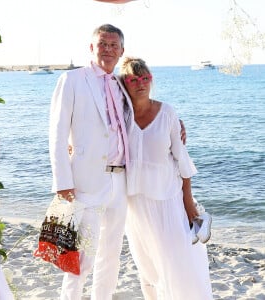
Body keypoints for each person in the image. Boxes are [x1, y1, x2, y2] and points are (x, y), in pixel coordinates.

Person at [49, 23, 134, 300]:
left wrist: (175, 124)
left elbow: (135, 121)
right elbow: (58, 133)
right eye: (102, 44)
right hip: (86, 181)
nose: (107, 50)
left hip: (120, 181)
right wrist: (62, 181)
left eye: (113, 46)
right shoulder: (73, 80)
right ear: (92, 47)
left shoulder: (122, 84)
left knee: (111, 253)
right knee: (81, 255)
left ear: (121, 51)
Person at [119, 57, 213, 300]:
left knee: (178, 264)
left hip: (167, 202)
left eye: (146, 78)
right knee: (147, 265)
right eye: (134, 79)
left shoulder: (167, 113)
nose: (141, 83)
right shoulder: (121, 116)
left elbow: (182, 161)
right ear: (124, 83)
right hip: (135, 205)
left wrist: (188, 203)